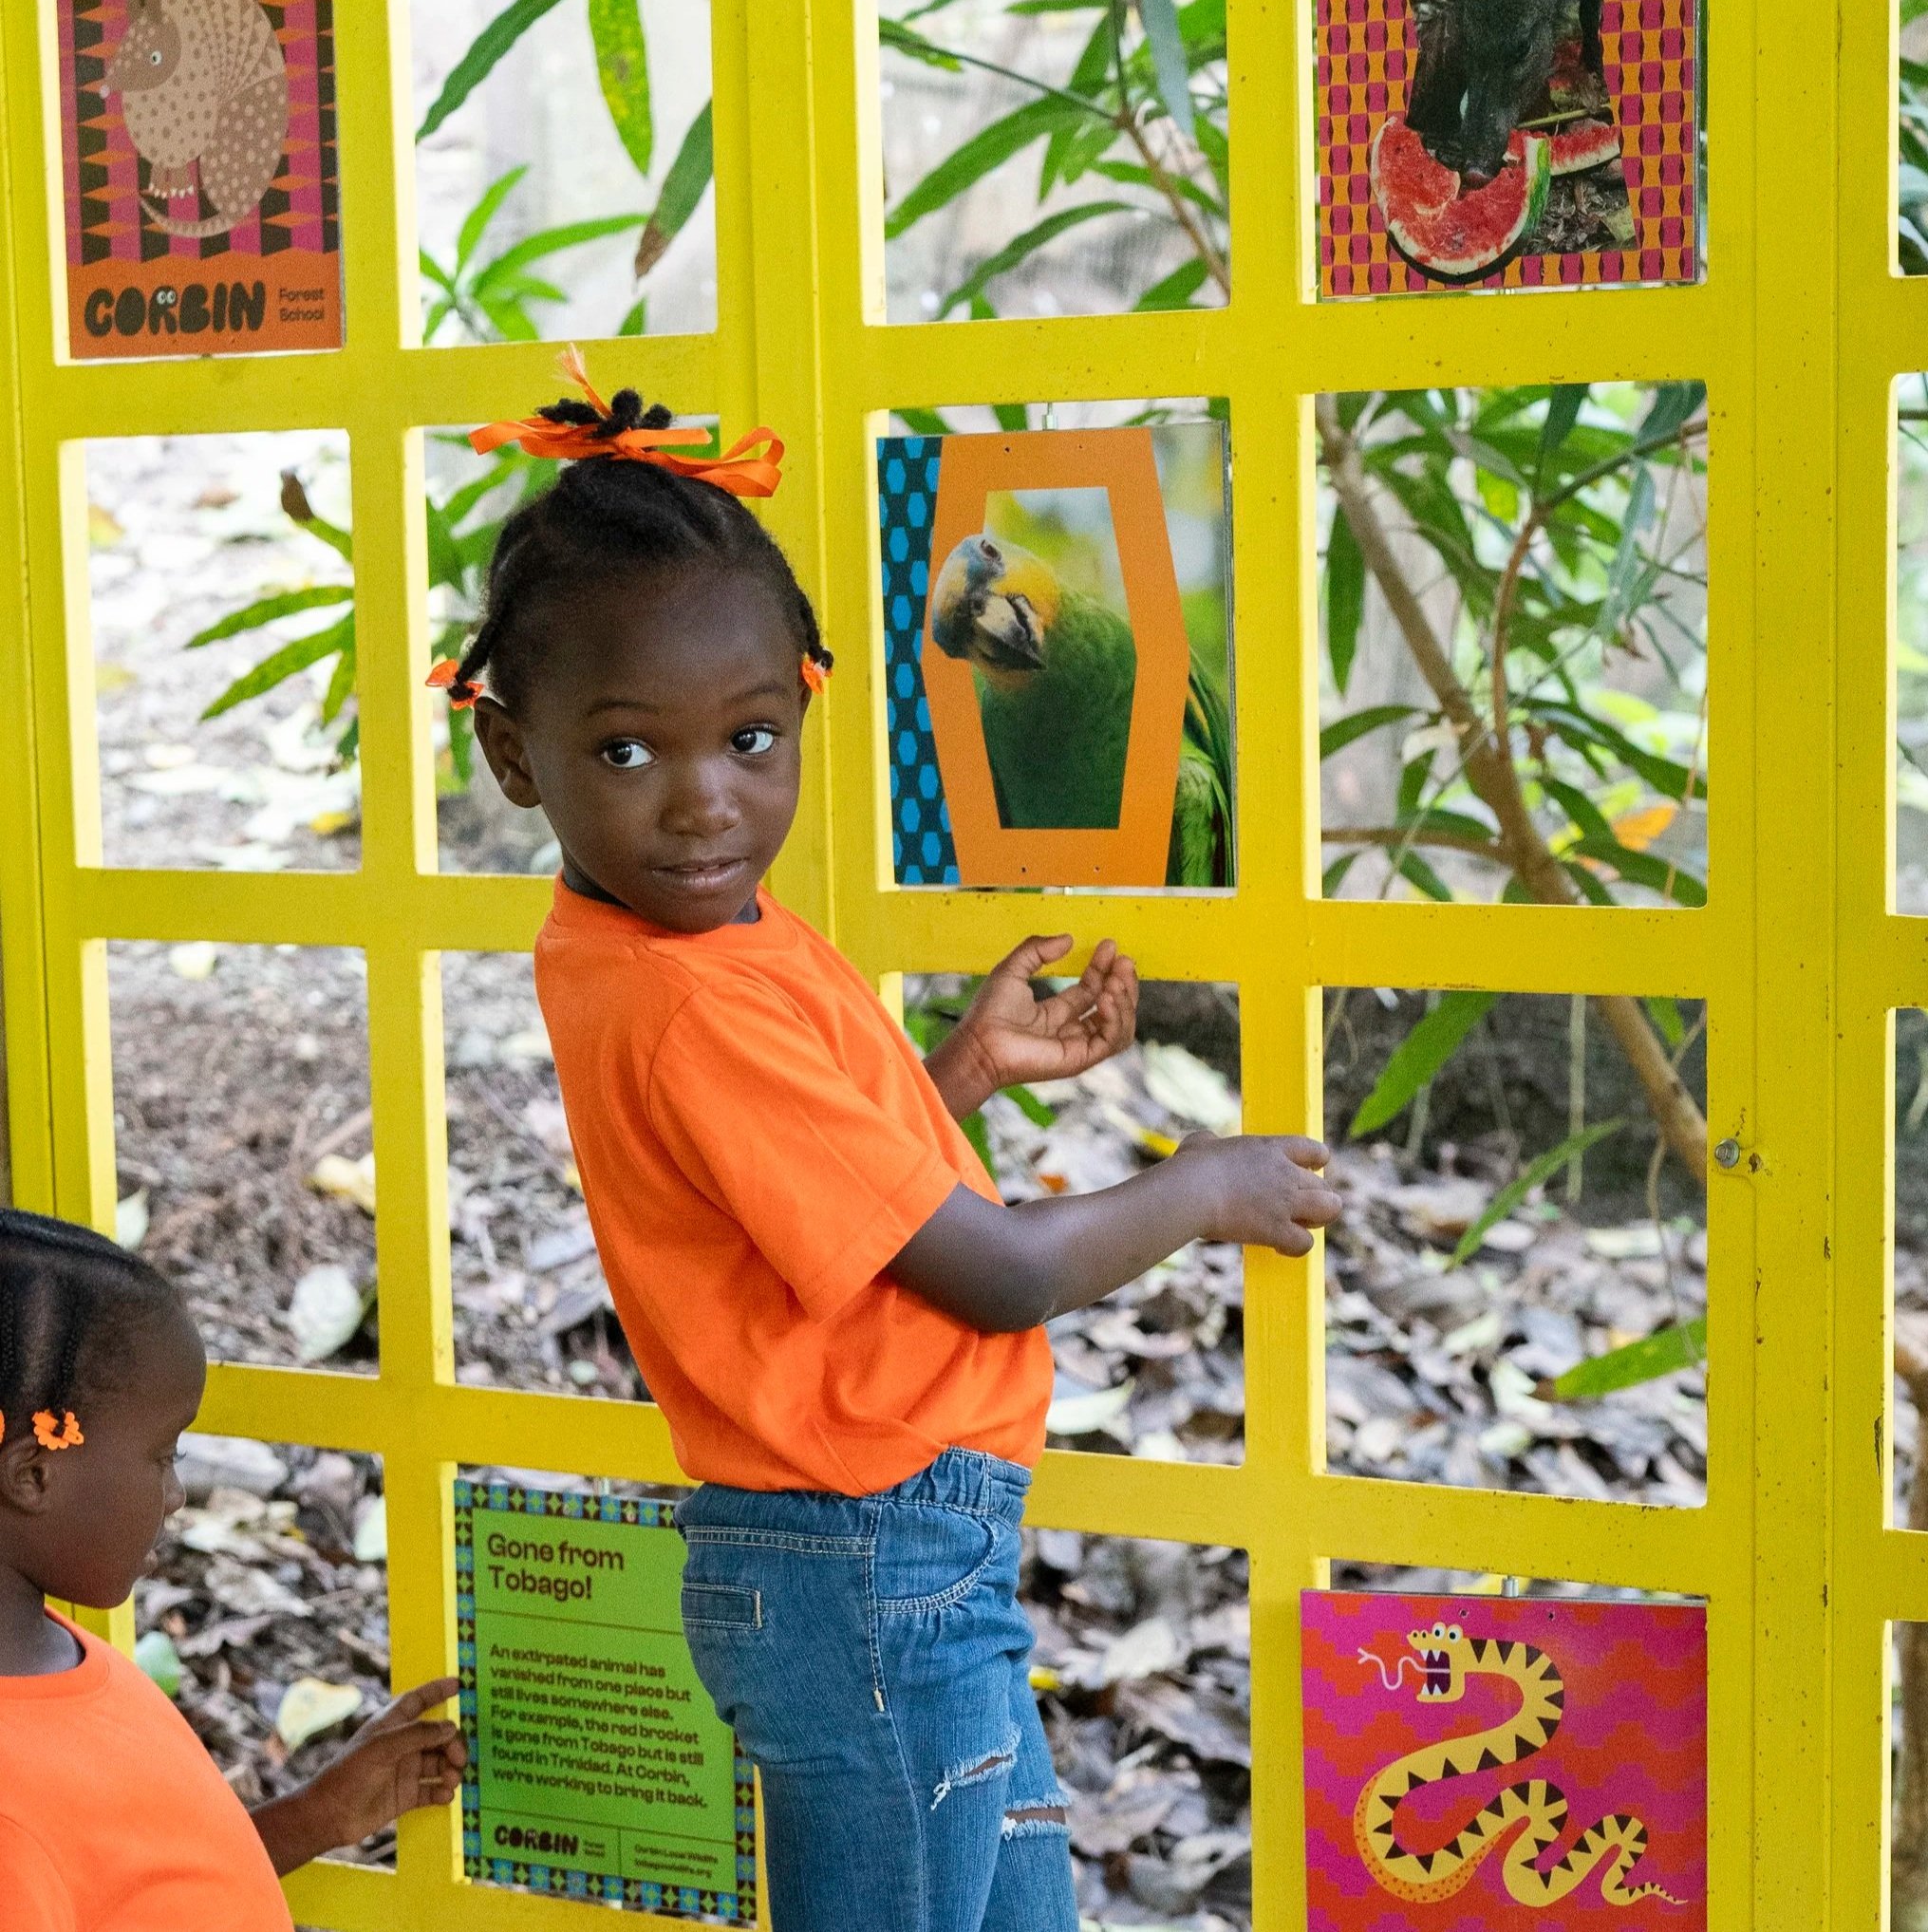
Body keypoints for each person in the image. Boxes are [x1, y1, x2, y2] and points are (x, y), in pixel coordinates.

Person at [439, 359, 1339, 1932]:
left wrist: (964, 1068)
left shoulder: (662, 940)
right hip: (866, 1568)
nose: (707, 802)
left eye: (752, 738)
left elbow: (806, 1180)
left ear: (803, 704)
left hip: (887, 1558)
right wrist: (1205, 1184)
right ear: (520, 758)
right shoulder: (689, 990)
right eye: (631, 753)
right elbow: (988, 1274)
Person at [0, 1208, 465, 1928]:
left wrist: (318, 1816)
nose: (178, 1495)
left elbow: (139, 1892)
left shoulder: (56, 1654)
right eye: (163, 1454)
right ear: (33, 1475)